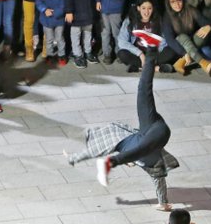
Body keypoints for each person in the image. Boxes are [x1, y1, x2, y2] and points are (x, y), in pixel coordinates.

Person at [67, 31, 179, 208]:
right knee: (141, 147)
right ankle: (113, 162)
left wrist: (76, 158)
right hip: (155, 133)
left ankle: (151, 48)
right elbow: (159, 181)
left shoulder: (128, 148)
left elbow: (97, 149)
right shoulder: (151, 163)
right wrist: (163, 203)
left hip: (150, 128)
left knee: (144, 90)